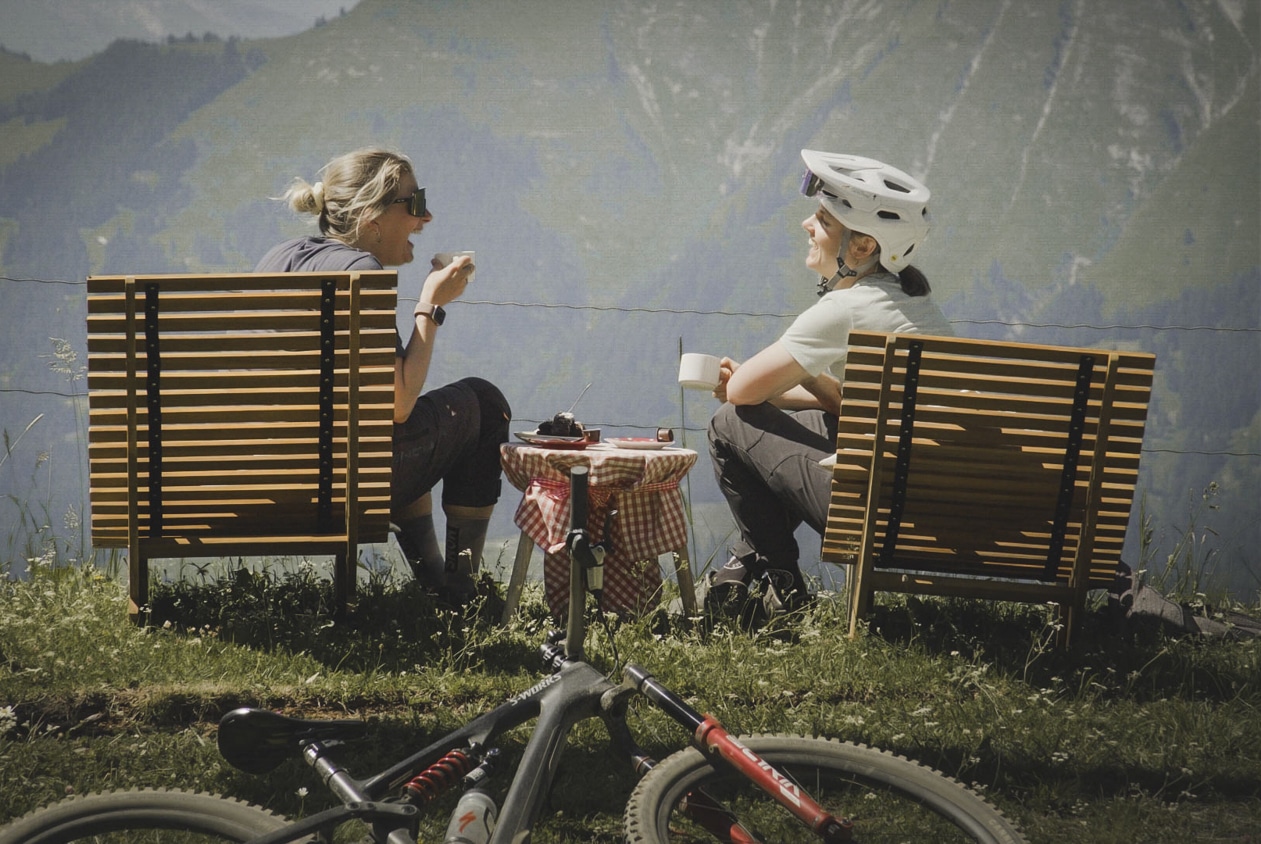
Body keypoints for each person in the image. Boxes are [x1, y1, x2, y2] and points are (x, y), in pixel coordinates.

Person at [705, 149, 953, 620]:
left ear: (861, 248)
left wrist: (766, 382)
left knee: (727, 423)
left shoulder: (846, 308)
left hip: (881, 519)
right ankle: (747, 574)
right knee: (818, 419)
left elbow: (739, 396)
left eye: (823, 218)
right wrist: (796, 385)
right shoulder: (917, 306)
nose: (806, 225)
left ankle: (780, 585)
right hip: (938, 509)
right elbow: (855, 407)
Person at [255, 148, 511, 603]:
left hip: (265, 480)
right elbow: (398, 405)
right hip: (344, 483)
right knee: (483, 403)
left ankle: (435, 577)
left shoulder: (278, 258)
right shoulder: (360, 273)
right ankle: (457, 589)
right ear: (373, 217)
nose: (426, 216)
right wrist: (430, 305)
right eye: (414, 204)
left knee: (396, 431)